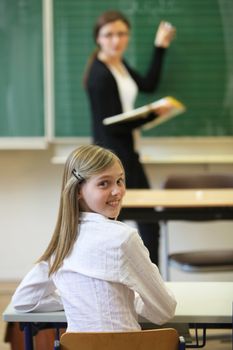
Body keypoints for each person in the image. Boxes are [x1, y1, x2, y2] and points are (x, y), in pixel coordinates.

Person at [12, 145, 176, 332]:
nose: (117, 191)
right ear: (78, 190)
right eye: (104, 183)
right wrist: (134, 303)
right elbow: (165, 310)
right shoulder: (123, 239)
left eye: (120, 180)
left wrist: (74, 299)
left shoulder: (64, 241)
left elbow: (24, 300)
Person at [84, 10, 176, 266]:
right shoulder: (99, 74)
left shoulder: (119, 64)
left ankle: (151, 283)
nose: (116, 40)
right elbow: (112, 127)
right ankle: (125, 285)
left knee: (145, 224)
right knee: (119, 228)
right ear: (98, 39)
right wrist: (152, 115)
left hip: (127, 155)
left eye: (122, 33)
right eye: (109, 34)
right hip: (112, 160)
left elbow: (148, 85)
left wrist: (160, 47)